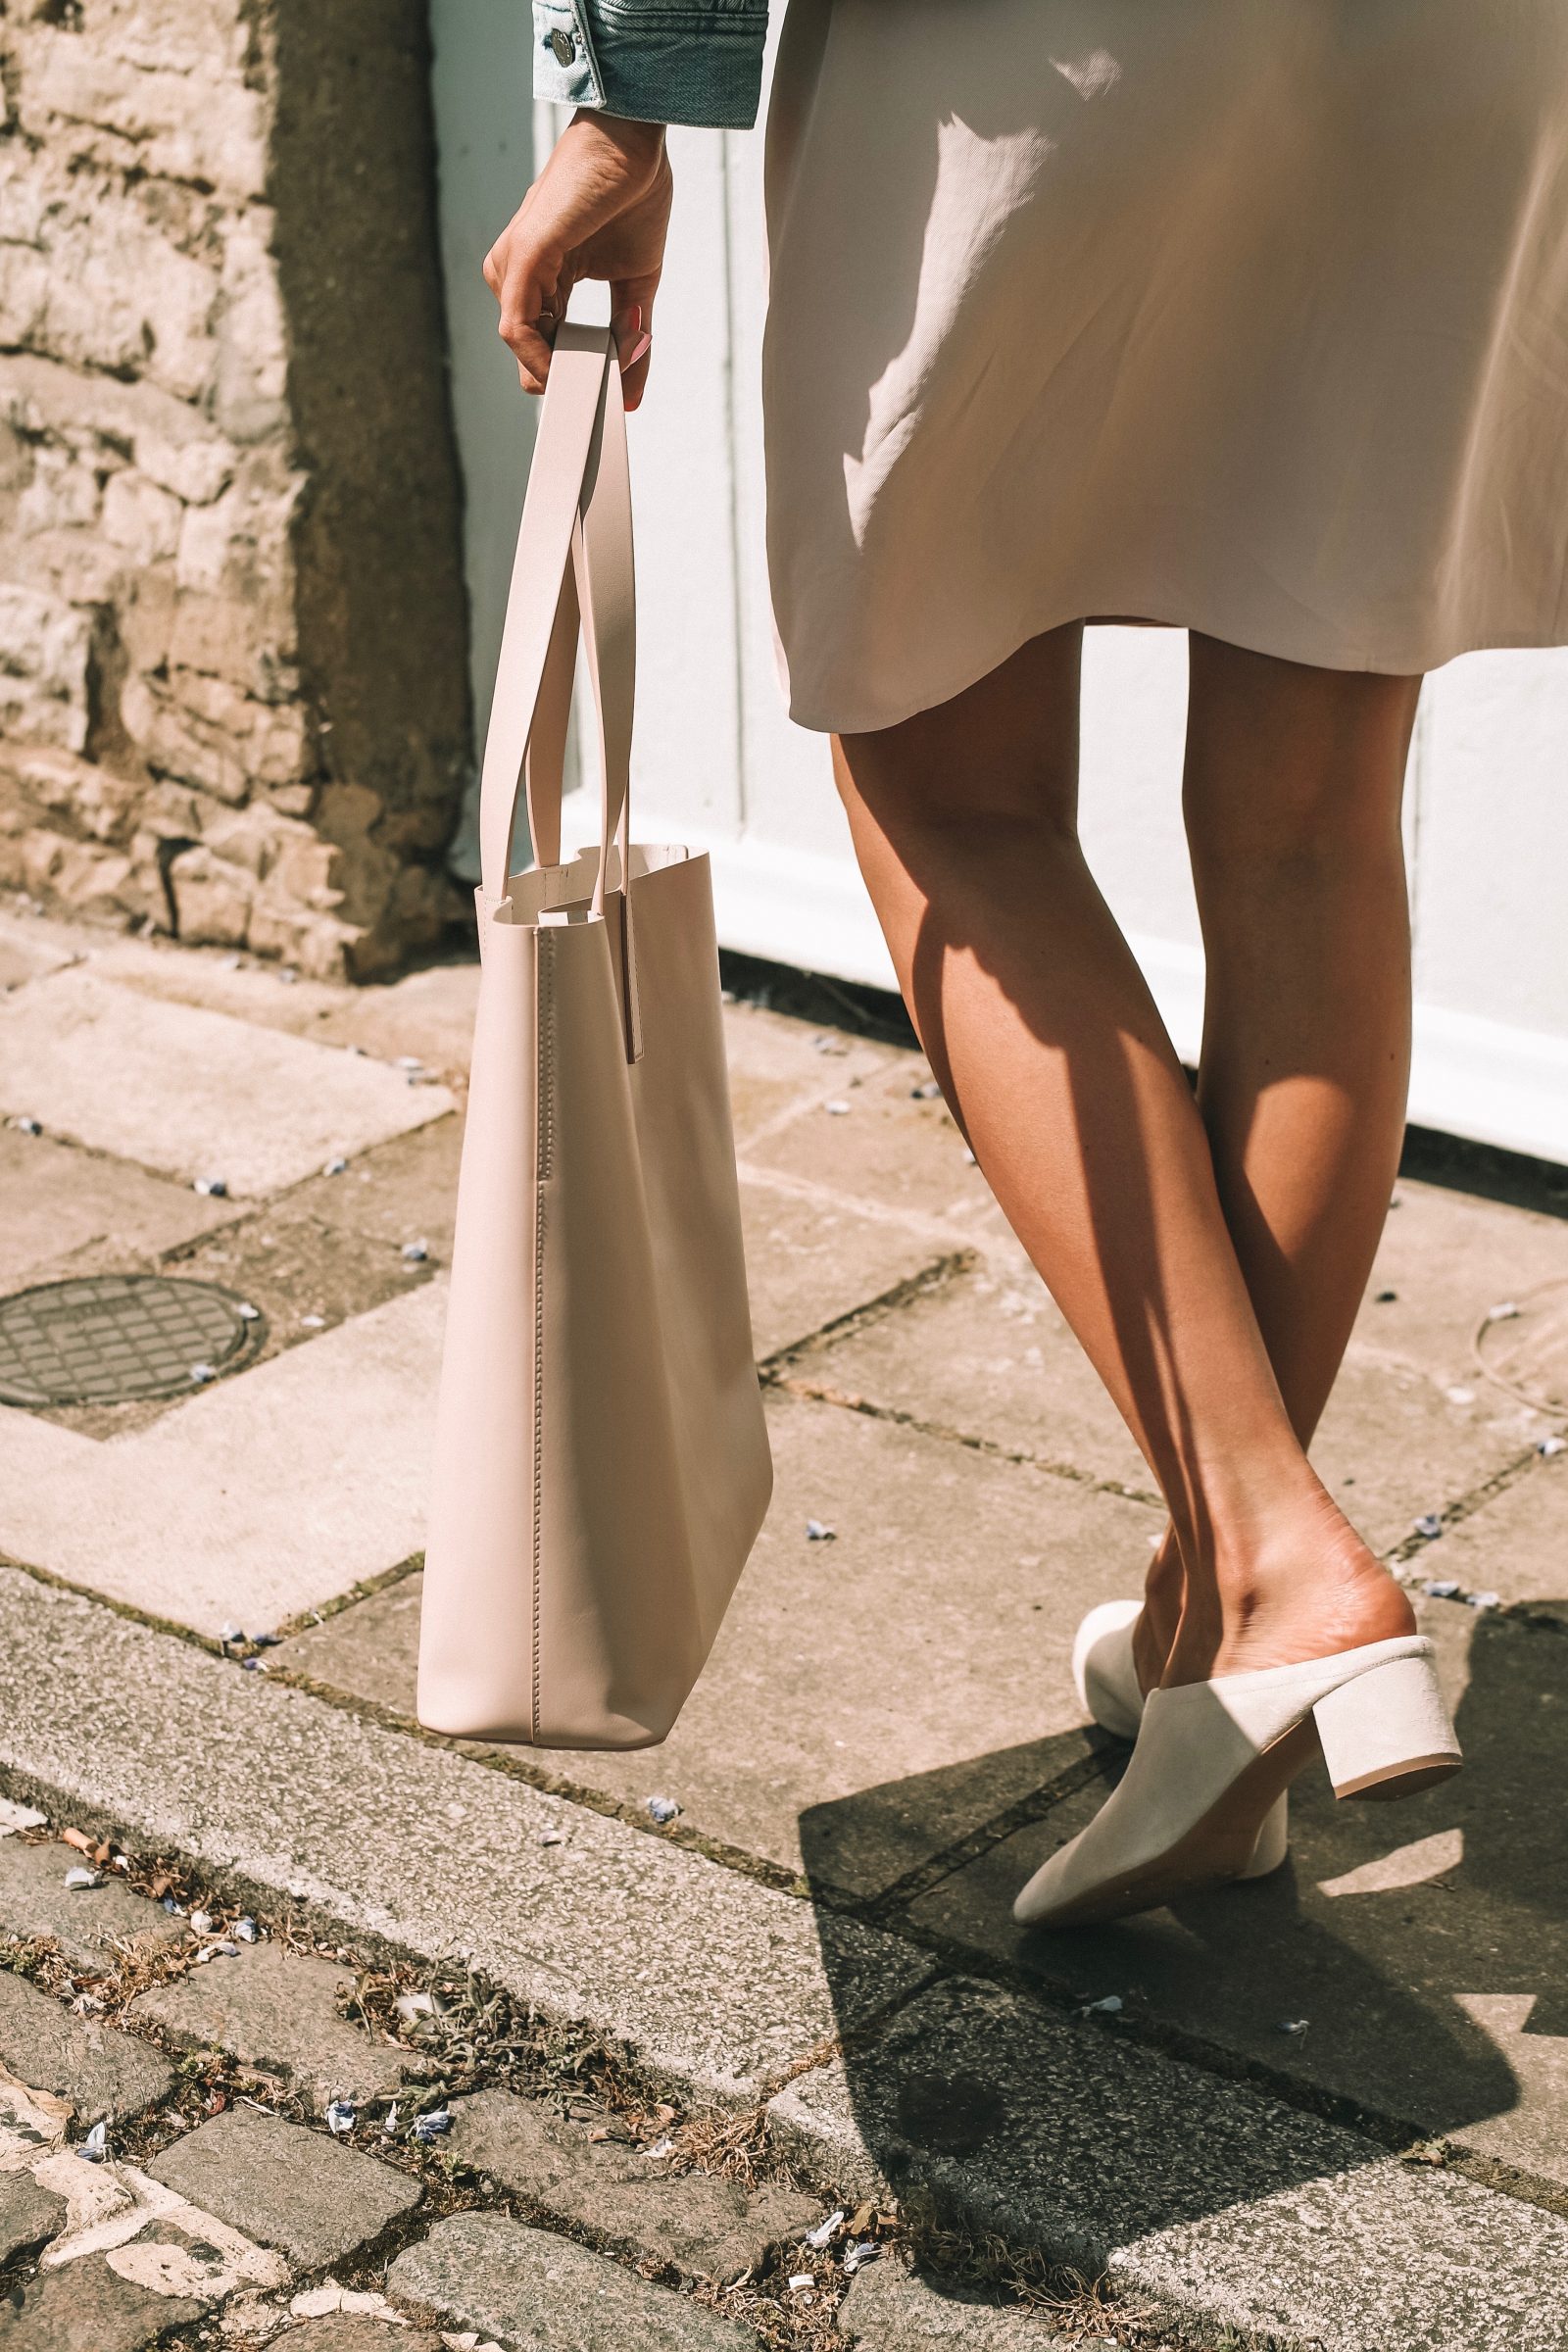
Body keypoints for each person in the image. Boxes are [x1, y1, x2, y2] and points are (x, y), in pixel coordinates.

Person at [481, 1, 1568, 1925]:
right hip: (1462, 51)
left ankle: (1268, 1565)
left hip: (1043, 50)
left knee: (933, 781)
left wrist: (619, 99)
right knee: (1309, 825)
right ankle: (1205, 1656)